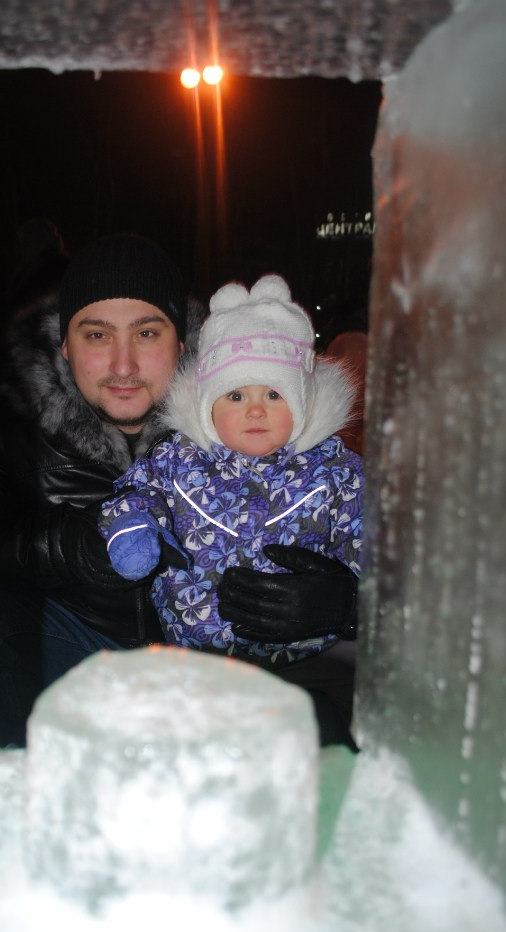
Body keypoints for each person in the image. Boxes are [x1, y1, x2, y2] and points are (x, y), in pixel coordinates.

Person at [0, 238, 360, 749]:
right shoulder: (17, 419)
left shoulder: (250, 402)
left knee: (321, 737)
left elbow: (406, 559)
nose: (123, 366)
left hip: (239, 666)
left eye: (146, 333)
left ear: (181, 343)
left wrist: (348, 605)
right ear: (65, 345)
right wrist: (67, 547)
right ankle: (46, 778)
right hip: (90, 649)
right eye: (97, 335)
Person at [99, 274, 363, 747]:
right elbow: (136, 491)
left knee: (315, 742)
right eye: (236, 396)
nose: (255, 411)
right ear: (208, 406)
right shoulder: (179, 461)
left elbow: (371, 535)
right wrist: (133, 528)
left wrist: (355, 599)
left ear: (302, 403)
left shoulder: (334, 472)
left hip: (305, 660)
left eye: (274, 395)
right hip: (198, 660)